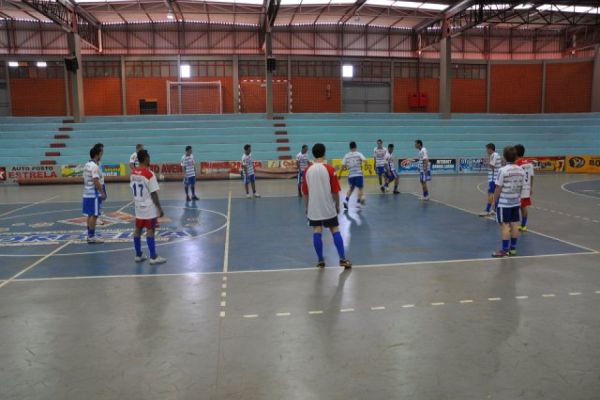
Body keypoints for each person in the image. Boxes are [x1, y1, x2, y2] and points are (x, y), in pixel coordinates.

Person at [302, 143, 352, 269]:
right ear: (324, 153)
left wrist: (306, 207)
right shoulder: (329, 169)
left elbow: (305, 192)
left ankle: (320, 260)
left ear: (313, 154)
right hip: (328, 206)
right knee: (335, 229)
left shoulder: (307, 170)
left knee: (317, 231)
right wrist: (337, 204)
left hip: (314, 207)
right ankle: (342, 259)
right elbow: (335, 190)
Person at [130, 149, 167, 265]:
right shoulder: (149, 174)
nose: (150, 159)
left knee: (138, 230)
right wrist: (160, 208)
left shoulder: (133, 173)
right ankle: (153, 257)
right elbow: (154, 193)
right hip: (148, 208)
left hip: (138, 206)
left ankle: (138, 254)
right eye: (149, 157)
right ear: (146, 158)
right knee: (150, 230)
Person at [492, 146, 525, 258]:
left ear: (505, 157)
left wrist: (494, 201)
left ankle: (504, 250)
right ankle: (513, 249)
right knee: (515, 224)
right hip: (516, 201)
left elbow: (498, 188)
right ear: (516, 157)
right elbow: (521, 186)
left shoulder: (503, 170)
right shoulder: (521, 170)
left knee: (505, 226)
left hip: (504, 202)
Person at [82, 145, 106, 244]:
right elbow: (96, 181)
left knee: (90, 215)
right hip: (94, 194)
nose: (101, 155)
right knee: (94, 215)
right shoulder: (94, 166)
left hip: (87, 193)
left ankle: (89, 234)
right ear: (97, 154)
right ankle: (91, 236)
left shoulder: (87, 164)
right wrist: (102, 192)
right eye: (101, 154)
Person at [341, 141, 367, 210]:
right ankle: (359, 202)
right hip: (358, 174)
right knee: (360, 188)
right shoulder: (359, 154)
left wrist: (340, 174)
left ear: (350, 147)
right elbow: (365, 160)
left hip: (351, 175)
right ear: (356, 146)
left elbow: (343, 166)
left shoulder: (347, 155)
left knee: (351, 189)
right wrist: (369, 169)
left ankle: (346, 201)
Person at [515, 144, 534, 232]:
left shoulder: (517, 163)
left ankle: (514, 225)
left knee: (515, 206)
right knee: (524, 206)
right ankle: (524, 225)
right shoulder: (529, 162)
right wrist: (531, 187)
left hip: (518, 188)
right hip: (526, 188)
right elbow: (531, 176)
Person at [480, 143, 502, 217]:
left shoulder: (494, 155)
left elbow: (492, 166)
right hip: (495, 177)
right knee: (494, 194)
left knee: (491, 194)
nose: (486, 151)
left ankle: (487, 210)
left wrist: (486, 162)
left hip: (494, 177)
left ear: (490, 149)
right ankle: (495, 209)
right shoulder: (494, 155)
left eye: (487, 149)